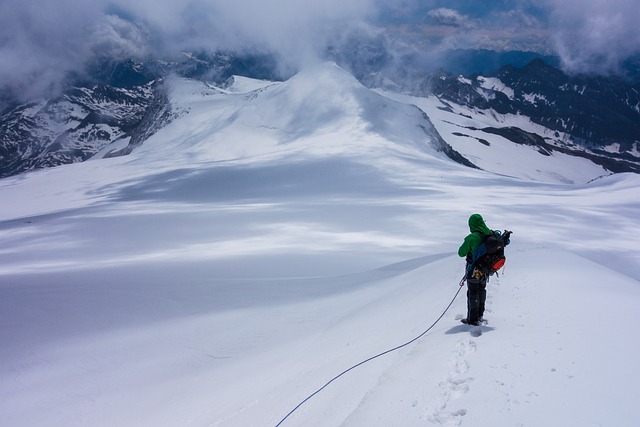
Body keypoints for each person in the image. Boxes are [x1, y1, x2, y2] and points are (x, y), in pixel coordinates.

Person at [458, 213, 501, 326]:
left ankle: (472, 319)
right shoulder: (491, 234)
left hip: (473, 270)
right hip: (486, 270)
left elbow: (461, 253)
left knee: (473, 292)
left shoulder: (472, 237)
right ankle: (480, 315)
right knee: (481, 290)